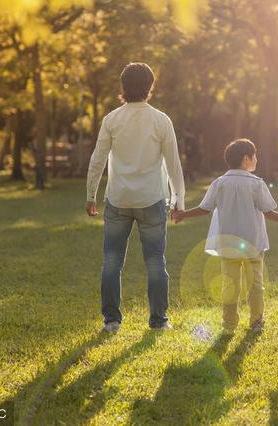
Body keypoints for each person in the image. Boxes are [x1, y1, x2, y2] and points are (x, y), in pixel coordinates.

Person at [86, 62, 185, 333]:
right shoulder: (161, 120)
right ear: (150, 87)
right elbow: (174, 163)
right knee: (155, 261)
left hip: (118, 200)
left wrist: (90, 194)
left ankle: (111, 321)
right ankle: (158, 320)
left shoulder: (112, 119)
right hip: (152, 199)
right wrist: (179, 199)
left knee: (112, 261)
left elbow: (97, 160)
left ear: (123, 86)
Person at [171, 139, 278, 336]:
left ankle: (229, 324)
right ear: (246, 159)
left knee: (230, 285)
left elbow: (203, 209)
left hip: (228, 245)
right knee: (255, 285)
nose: (256, 159)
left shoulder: (219, 183)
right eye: (255, 156)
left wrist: (181, 215)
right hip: (253, 245)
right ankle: (256, 320)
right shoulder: (256, 184)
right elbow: (269, 212)